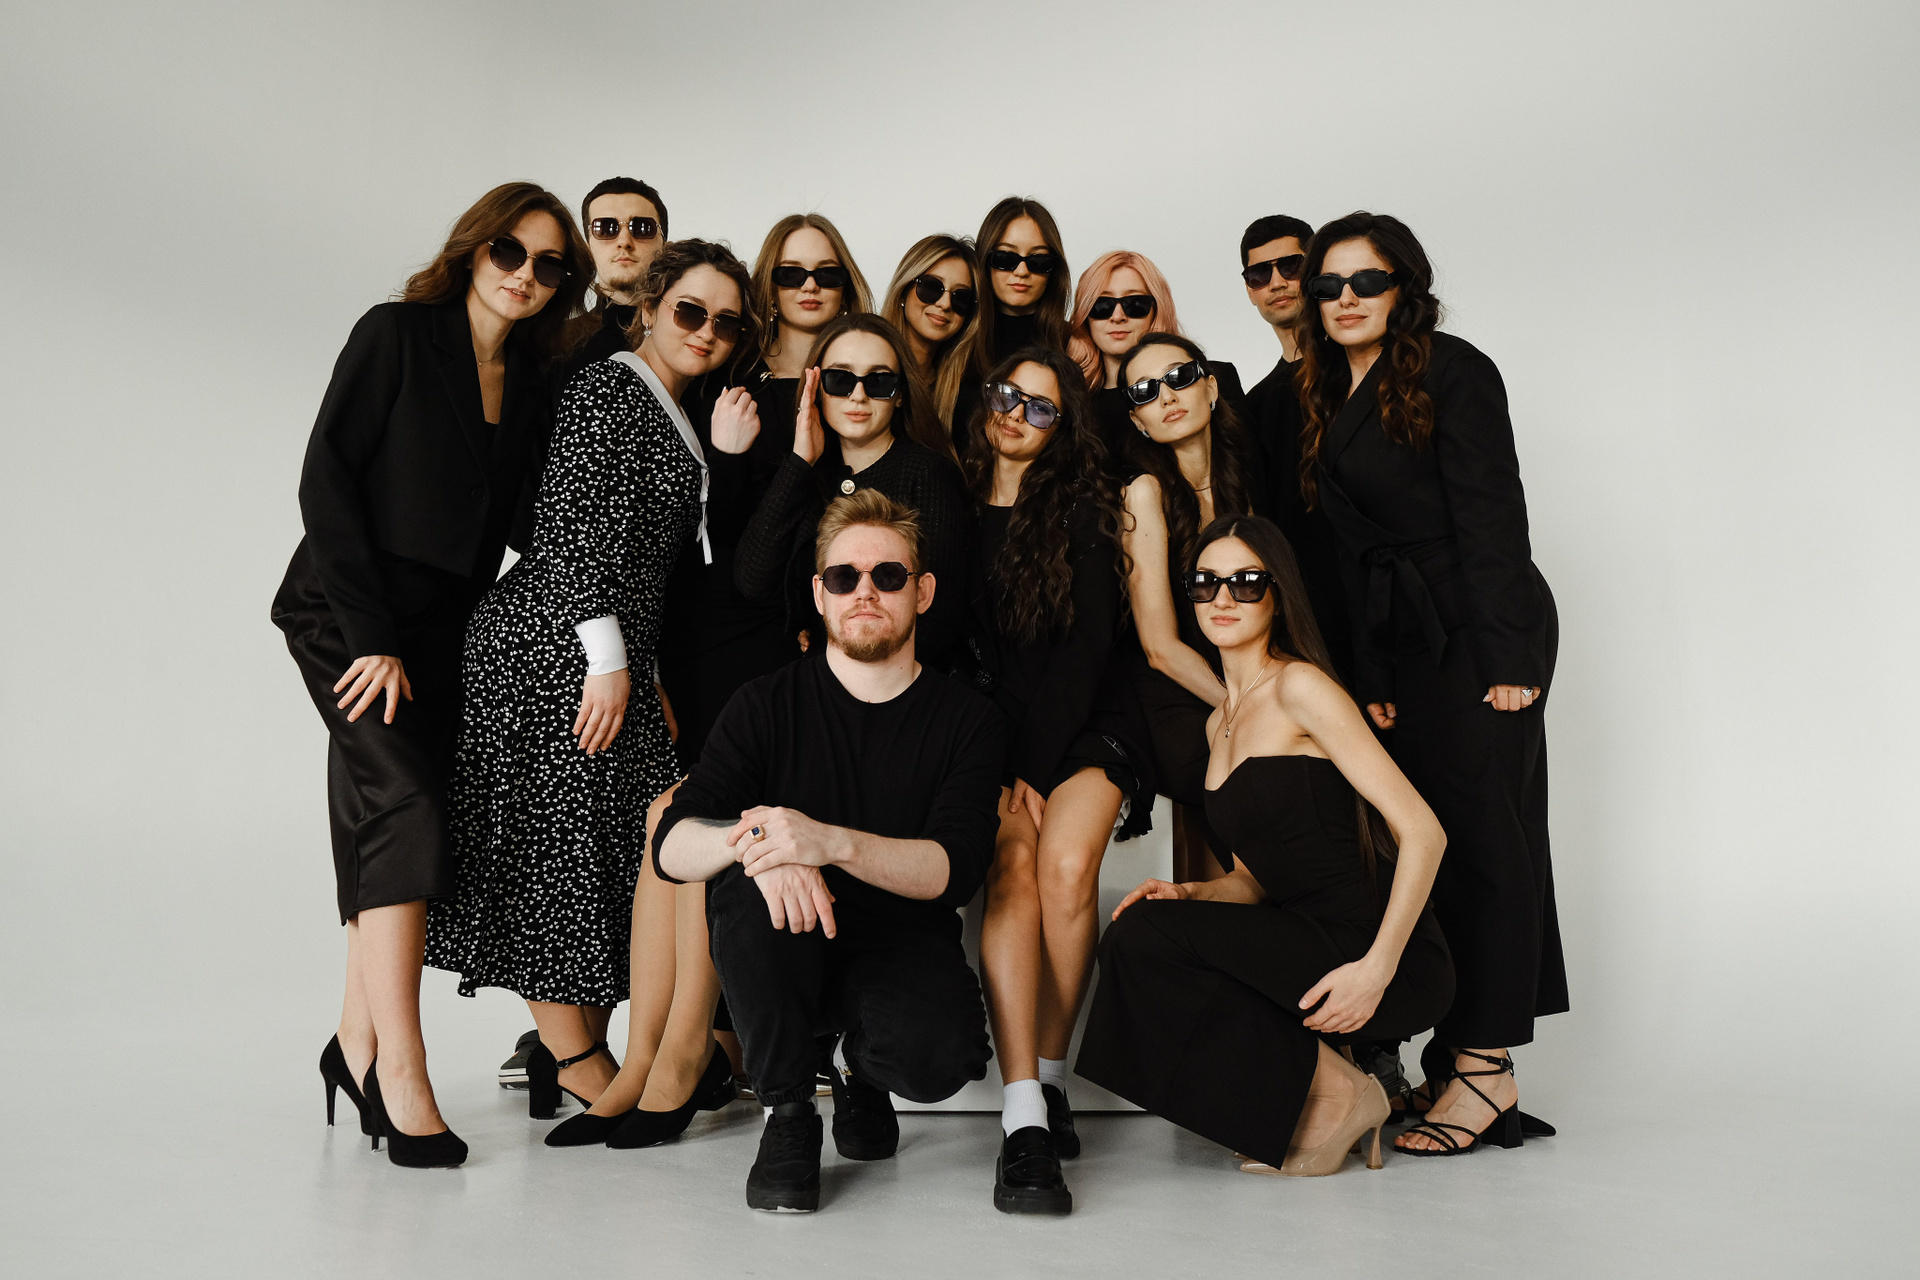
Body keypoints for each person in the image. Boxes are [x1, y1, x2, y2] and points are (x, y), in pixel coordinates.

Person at [272, 181, 591, 1168]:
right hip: (347, 612)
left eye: (549, 264)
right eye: (510, 251)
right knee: (405, 805)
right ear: (473, 248)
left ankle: (352, 1042)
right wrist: (370, 636)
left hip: (444, 633)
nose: (526, 274)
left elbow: (530, 524)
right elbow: (325, 478)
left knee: (394, 812)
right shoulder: (398, 335)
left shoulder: (530, 382)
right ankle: (400, 1073)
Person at [423, 240, 755, 1130]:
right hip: (549, 647)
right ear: (648, 307)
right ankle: (575, 1060)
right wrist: (608, 659)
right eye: (690, 311)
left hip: (606, 649)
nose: (707, 332)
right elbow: (567, 530)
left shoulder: (676, 405)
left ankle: (608, 1057)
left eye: (726, 322)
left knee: (613, 848)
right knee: (549, 850)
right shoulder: (607, 388)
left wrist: (642, 669)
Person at [1294, 210, 1564, 1154]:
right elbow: (1353, 552)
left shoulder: (1455, 369)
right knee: (1431, 844)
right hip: (1405, 640)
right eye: (1328, 286)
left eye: (1366, 282)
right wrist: (1373, 671)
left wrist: (1509, 659)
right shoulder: (1330, 384)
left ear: (1405, 287)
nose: (1345, 300)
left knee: (1491, 842)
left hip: (1480, 628)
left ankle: (1487, 1068)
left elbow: (1495, 518)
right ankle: (1454, 1054)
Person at [654, 490, 1002, 1214]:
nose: (864, 592)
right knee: (745, 879)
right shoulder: (764, 704)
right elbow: (672, 848)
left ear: (922, 592)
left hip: (899, 941)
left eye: (888, 576)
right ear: (820, 594)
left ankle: (850, 1064)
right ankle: (787, 1113)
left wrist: (827, 841)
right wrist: (764, 842)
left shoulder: (965, 719)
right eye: (845, 577)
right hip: (787, 941)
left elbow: (955, 869)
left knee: (946, 1059)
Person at [1077, 515, 1456, 1175]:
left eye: (1246, 582)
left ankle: (1338, 1096)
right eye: (1206, 583)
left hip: (1382, 955)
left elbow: (1424, 830)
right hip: (1306, 938)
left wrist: (1377, 968)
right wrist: (1192, 894)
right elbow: (1255, 879)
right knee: (1138, 930)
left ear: (1277, 594)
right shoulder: (1217, 723)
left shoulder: (1299, 687)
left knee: (1146, 940)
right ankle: (1325, 1093)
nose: (1223, 598)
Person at [961, 347, 1148, 1215]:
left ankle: (1051, 1073)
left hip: (1086, 722)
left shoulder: (1081, 508)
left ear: (1063, 427)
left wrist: (1033, 768)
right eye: (1009, 395)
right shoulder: (954, 501)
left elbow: (1088, 653)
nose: (1017, 415)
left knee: (1067, 869)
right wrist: (995, 762)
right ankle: (1023, 1113)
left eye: (1041, 407)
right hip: (992, 737)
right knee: (1012, 869)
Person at [734, 313, 970, 667]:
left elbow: (940, 618)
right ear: (817, 387)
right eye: (840, 379)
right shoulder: (807, 471)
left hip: (893, 684)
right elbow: (752, 581)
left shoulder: (928, 473)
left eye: (879, 382)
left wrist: (839, 657)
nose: (858, 395)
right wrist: (800, 462)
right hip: (813, 678)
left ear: (900, 395)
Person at [1116, 332, 1259, 881]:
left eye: (1178, 378)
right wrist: (1243, 705)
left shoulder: (1245, 478)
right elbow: (1159, 648)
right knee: (1246, 794)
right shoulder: (1144, 492)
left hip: (1244, 677)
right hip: (1177, 689)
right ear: (1138, 420)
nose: (1167, 396)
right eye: (1145, 391)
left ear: (1211, 389)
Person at [1237, 214, 1353, 685]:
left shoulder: (1358, 372)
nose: (1277, 282)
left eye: (1291, 266)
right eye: (1259, 274)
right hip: (1310, 617)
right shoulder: (1254, 405)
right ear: (1249, 290)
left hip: (1385, 599)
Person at [1066, 250, 1246, 465]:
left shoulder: (1214, 377)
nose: (1117, 316)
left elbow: (1250, 465)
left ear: (1157, 309)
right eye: (1102, 305)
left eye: (1134, 304)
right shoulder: (1073, 405)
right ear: (1085, 314)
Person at [962, 198, 1070, 453]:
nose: (1021, 271)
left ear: (1053, 270)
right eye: (1005, 258)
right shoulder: (955, 336)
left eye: (1038, 261)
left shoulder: (1073, 344)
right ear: (984, 261)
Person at [551, 177, 670, 401]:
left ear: (663, 244)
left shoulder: (694, 338)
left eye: (642, 228)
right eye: (605, 228)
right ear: (588, 246)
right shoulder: (558, 344)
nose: (624, 241)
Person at [880, 234, 981, 456]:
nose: (945, 304)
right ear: (904, 290)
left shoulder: (966, 398)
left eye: (960, 297)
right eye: (932, 287)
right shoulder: (864, 372)